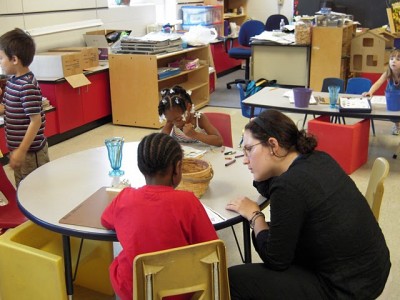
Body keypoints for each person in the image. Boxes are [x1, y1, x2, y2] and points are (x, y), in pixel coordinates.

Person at [226, 110, 391, 299]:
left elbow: (276, 259)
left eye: (249, 149)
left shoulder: (288, 186)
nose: (245, 159)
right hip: (372, 269)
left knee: (233, 279)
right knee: (276, 234)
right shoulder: (318, 158)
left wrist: (255, 216)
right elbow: (268, 185)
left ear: (273, 144)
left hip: (346, 288)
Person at [101, 132, 218, 300]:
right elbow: (211, 248)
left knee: (121, 267)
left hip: (133, 289)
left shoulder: (125, 197)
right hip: (178, 291)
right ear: (177, 168)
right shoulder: (187, 201)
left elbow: (105, 220)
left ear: (140, 166)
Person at [0, 28, 49, 186]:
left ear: (14, 59)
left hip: (30, 152)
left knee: (34, 189)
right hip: (18, 150)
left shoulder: (26, 86)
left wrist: (22, 150)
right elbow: (10, 108)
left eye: (1, 58)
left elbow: (36, 121)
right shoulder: (13, 80)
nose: (0, 63)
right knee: (22, 186)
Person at [158, 85, 223, 146]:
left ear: (189, 107)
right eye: (170, 120)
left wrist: (195, 134)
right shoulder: (172, 120)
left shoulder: (199, 119)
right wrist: (169, 122)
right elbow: (160, 142)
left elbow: (219, 141)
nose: (175, 124)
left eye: (178, 119)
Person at [362, 48, 400, 135]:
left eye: (398, 59)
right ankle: (397, 125)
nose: (393, 61)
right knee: (393, 115)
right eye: (391, 59)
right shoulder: (387, 73)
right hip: (392, 99)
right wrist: (370, 92)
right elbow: (378, 83)